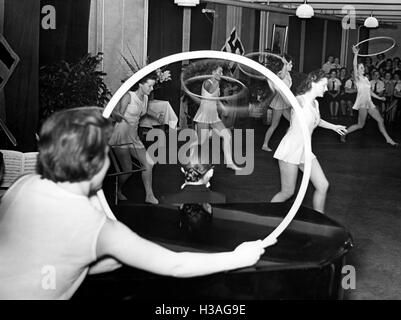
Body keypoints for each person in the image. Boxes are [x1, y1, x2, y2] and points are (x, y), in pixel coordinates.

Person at [0, 107, 275, 300]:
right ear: (96, 164)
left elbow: (63, 258)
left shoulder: (23, 184)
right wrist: (237, 257)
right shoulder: (97, 227)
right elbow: (175, 266)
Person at [271, 70, 347, 214]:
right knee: (287, 192)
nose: (326, 89)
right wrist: (276, 83)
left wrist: (334, 126)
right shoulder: (300, 100)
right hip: (291, 149)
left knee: (323, 185)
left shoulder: (315, 103)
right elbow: (288, 99)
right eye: (324, 85)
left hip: (305, 151)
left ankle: (319, 221)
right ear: (313, 82)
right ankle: (265, 216)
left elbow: (316, 121)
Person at [109, 73, 162, 204]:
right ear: (140, 84)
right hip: (121, 135)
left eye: (152, 86)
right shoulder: (128, 96)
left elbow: (144, 110)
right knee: (128, 170)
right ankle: (117, 190)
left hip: (133, 136)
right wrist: (121, 117)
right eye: (149, 86)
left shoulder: (144, 98)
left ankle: (149, 195)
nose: (151, 89)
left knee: (149, 163)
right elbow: (115, 113)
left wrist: (157, 116)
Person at [340, 46, 398, 146]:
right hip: (362, 104)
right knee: (360, 125)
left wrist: (380, 98)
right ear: (357, 70)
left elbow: (370, 92)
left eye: (363, 67)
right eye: (361, 67)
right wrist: (355, 54)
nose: (363, 68)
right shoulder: (357, 78)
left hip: (369, 102)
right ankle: (344, 133)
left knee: (380, 120)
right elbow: (354, 65)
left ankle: (388, 139)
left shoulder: (366, 79)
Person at [192, 63, 240, 171]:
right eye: (219, 71)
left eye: (222, 72)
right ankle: (192, 146)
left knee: (227, 136)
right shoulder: (207, 83)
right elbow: (211, 90)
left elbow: (216, 99)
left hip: (213, 116)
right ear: (213, 72)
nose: (221, 74)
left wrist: (223, 108)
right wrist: (217, 79)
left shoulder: (216, 83)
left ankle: (230, 163)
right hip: (204, 115)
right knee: (201, 141)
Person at [262, 54, 293, 152]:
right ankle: (264, 144)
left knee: (293, 121)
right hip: (279, 103)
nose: (292, 66)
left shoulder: (288, 74)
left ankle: (288, 143)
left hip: (284, 102)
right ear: (285, 64)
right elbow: (282, 76)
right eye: (290, 64)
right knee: (274, 125)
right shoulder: (281, 73)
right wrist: (284, 63)